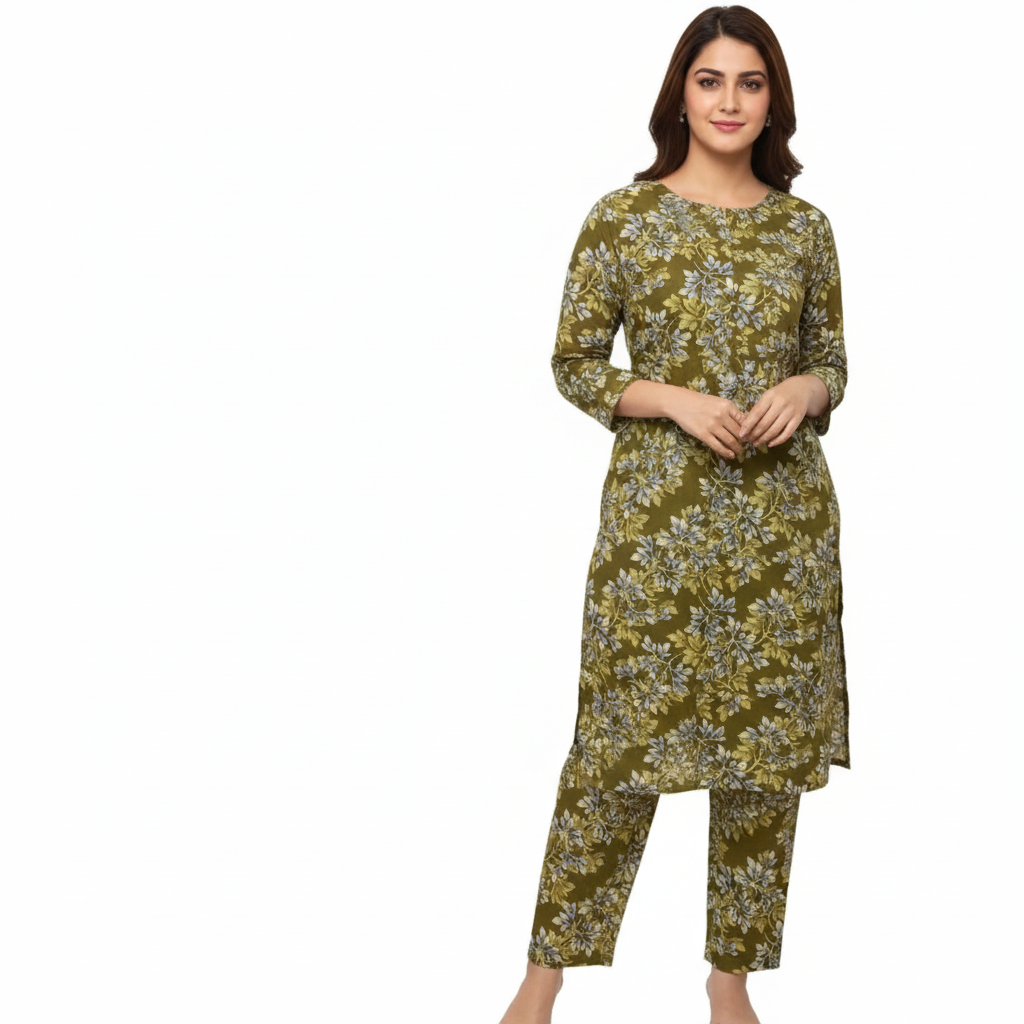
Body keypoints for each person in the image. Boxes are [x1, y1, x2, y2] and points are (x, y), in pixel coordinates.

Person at [498, 7, 850, 1024]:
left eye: (750, 82)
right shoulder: (622, 217)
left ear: (772, 101)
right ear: (679, 96)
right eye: (710, 80)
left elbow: (833, 360)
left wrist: (806, 391)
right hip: (657, 527)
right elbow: (573, 362)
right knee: (616, 748)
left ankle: (730, 982)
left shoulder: (803, 228)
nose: (730, 101)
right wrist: (672, 400)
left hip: (781, 529)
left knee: (762, 761)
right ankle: (542, 978)